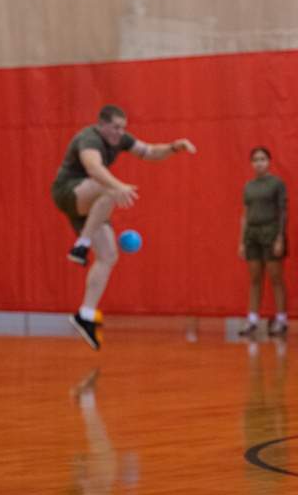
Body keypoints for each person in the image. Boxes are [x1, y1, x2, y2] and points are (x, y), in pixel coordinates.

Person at [52, 105, 196, 350]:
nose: (120, 133)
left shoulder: (122, 139)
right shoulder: (89, 138)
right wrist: (118, 186)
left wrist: (173, 147)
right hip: (69, 191)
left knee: (108, 255)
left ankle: (85, 315)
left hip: (92, 202)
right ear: (102, 125)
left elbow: (150, 151)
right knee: (107, 187)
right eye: (115, 128)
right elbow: (94, 168)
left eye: (123, 128)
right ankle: (81, 246)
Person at [238, 147, 289, 337]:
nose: (259, 163)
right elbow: (245, 214)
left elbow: (283, 211)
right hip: (252, 233)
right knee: (255, 279)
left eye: (263, 159)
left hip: (271, 231)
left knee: (276, 278)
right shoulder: (249, 186)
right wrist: (242, 241)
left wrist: (280, 237)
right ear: (251, 163)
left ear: (269, 161)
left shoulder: (277, 184)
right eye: (256, 160)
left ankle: (281, 320)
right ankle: (252, 320)